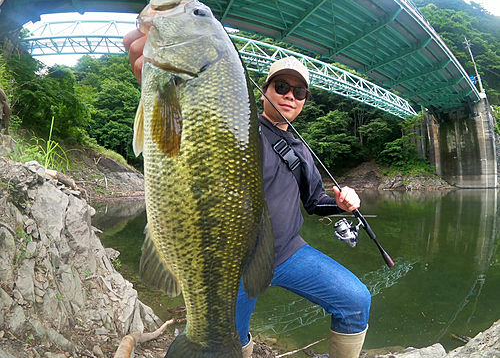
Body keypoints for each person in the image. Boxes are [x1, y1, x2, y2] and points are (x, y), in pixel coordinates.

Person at [123, 29, 371, 358]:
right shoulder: (235, 126)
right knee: (225, 338)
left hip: (289, 253)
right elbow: (189, 124)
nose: (290, 96)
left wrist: (341, 203)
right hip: (233, 263)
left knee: (356, 300)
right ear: (264, 91)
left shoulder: (301, 149)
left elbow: (314, 203)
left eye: (299, 92)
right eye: (281, 87)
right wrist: (162, 82)